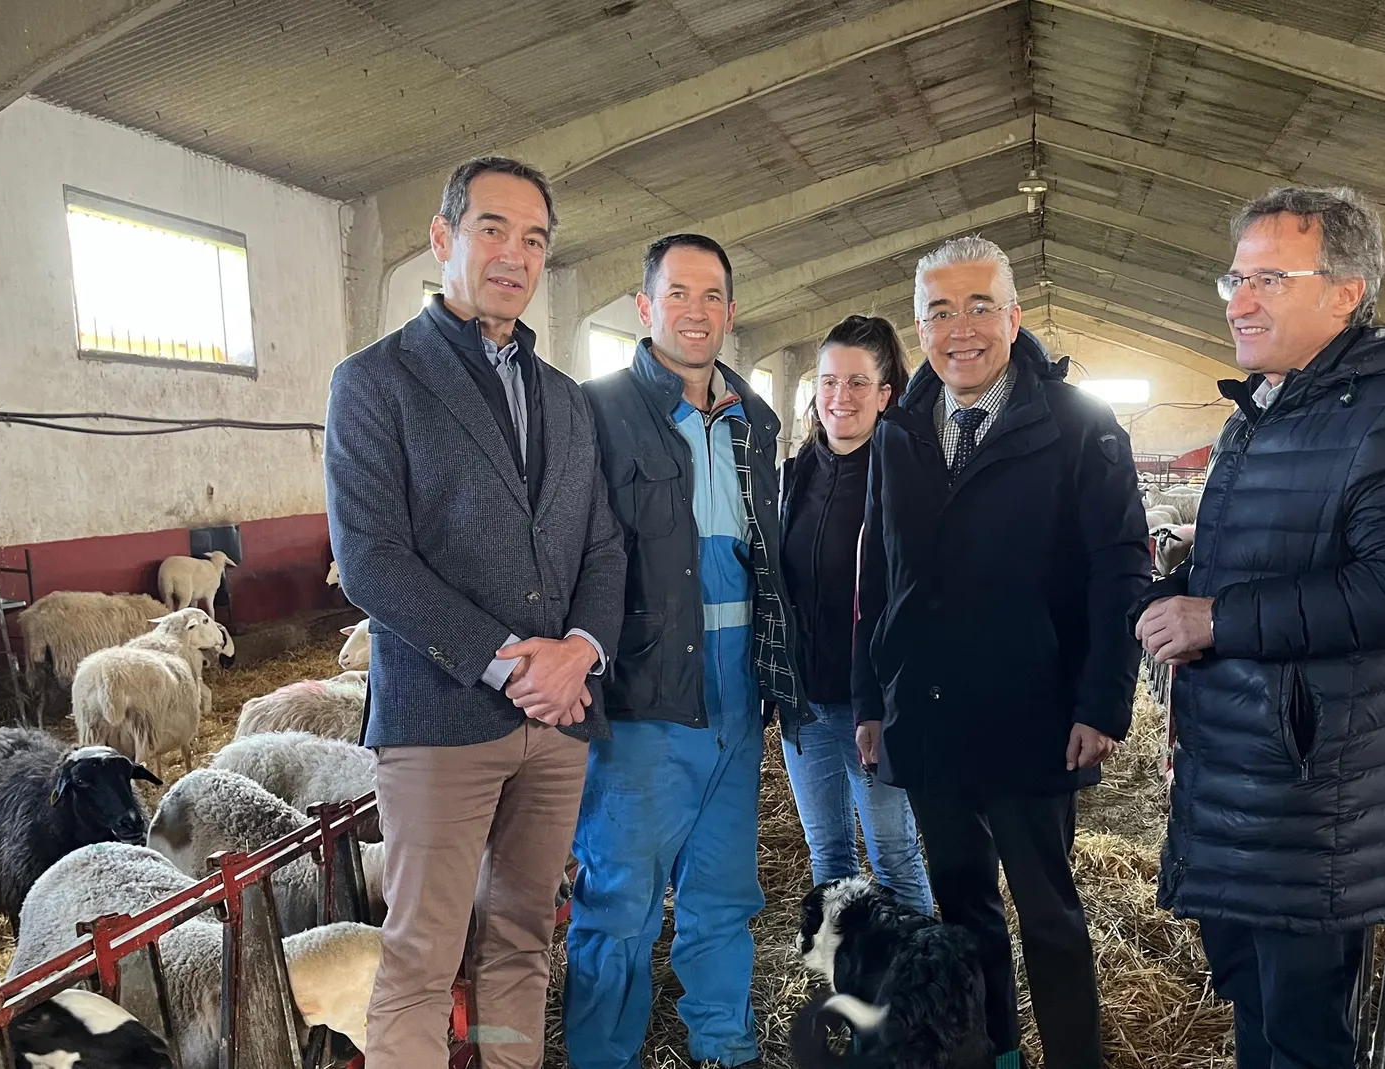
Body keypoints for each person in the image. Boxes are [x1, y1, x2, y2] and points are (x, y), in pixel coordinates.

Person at [1132, 186, 1385, 1069]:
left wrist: (1219, 616)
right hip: (1236, 786)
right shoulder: (1270, 409)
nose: (1241, 301)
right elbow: (1258, 566)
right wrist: (1170, 589)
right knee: (1258, 1017)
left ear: (1346, 292)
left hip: (1310, 806)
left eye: (1269, 280)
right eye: (1235, 280)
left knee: (1305, 1038)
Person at [323, 157, 626, 1069]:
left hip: (560, 721)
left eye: (534, 239)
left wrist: (580, 650)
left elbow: (602, 547)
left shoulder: (566, 401)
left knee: (525, 937)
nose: (515, 255)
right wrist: (507, 661)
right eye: (494, 229)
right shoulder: (377, 381)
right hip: (443, 716)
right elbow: (371, 559)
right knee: (421, 951)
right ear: (444, 237)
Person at [853, 236, 1152, 1069]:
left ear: (1015, 315)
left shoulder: (1077, 425)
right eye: (940, 311)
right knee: (963, 911)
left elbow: (1118, 562)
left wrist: (1101, 700)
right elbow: (879, 571)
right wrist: (871, 697)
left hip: (1037, 713)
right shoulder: (900, 429)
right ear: (918, 327)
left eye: (980, 305)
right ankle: (993, 1054)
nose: (961, 329)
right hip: (932, 714)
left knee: (1049, 912)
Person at [568, 233, 808, 1069]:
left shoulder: (757, 418)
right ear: (645, 307)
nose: (695, 311)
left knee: (723, 888)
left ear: (732, 312)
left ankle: (726, 1041)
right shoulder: (597, 411)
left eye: (711, 297)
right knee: (620, 897)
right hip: (644, 692)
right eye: (678, 294)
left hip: (737, 695)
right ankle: (605, 1055)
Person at [778, 315, 930, 914]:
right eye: (829, 381)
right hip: (806, 703)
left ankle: (915, 994)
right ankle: (844, 983)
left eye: (859, 383)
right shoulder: (795, 477)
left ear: (886, 393)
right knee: (829, 851)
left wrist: (889, 701)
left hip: (876, 704)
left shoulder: (904, 478)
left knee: (893, 852)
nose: (841, 397)